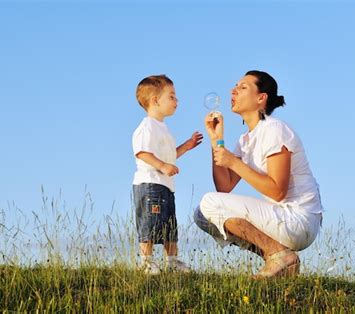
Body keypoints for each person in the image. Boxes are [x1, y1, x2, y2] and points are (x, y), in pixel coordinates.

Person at [193, 70, 323, 278]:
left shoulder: (274, 129)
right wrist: (216, 139)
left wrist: (234, 162)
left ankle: (279, 255)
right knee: (202, 214)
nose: (233, 90)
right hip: (280, 219)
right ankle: (278, 258)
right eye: (235, 86)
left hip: (298, 220)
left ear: (261, 98)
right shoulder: (245, 141)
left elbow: (277, 191)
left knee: (209, 202)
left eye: (243, 87)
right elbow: (224, 187)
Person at [132, 74, 203, 274]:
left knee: (169, 224)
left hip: (165, 186)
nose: (176, 101)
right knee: (149, 222)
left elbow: (169, 157)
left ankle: (171, 261)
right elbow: (142, 152)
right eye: (171, 96)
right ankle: (146, 261)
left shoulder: (163, 128)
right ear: (155, 100)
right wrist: (162, 166)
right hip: (150, 184)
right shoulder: (147, 127)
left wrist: (186, 147)